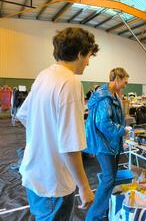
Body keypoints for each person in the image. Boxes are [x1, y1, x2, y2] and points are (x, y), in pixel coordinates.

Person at [17, 27, 99, 220]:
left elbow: (24, 116)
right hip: (54, 184)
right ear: (80, 54)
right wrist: (85, 187)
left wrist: (44, 139)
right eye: (88, 56)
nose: (88, 63)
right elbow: (71, 145)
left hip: (34, 175)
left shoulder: (43, 76)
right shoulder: (70, 83)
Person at [85, 67, 129, 220]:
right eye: (124, 81)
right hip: (104, 145)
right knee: (109, 178)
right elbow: (103, 123)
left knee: (109, 178)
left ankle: (101, 210)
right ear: (117, 79)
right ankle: (93, 216)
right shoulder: (105, 98)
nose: (125, 85)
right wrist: (122, 130)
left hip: (110, 143)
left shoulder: (112, 95)